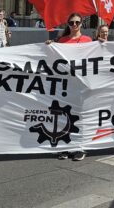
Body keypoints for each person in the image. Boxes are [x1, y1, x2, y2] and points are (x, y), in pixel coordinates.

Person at [45, 13, 89, 161]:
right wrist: (49, 47)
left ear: (82, 24)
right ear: (68, 24)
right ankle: (65, 147)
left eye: (77, 22)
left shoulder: (88, 40)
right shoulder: (62, 41)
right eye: (71, 23)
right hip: (64, 84)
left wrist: (103, 43)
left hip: (80, 84)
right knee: (63, 116)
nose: (74, 25)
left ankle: (79, 147)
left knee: (79, 117)